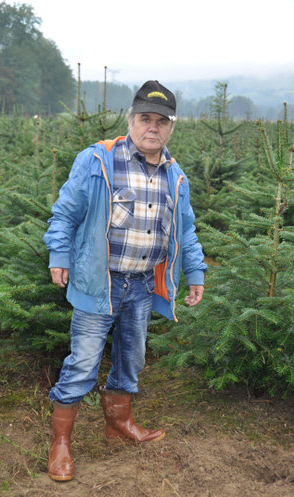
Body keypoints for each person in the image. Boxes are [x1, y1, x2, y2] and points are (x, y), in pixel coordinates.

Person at [43, 80, 207, 481]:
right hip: (100, 281)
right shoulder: (98, 159)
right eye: (145, 118)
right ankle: (60, 443)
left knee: (131, 360)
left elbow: (185, 230)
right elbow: (65, 212)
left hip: (142, 286)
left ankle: (118, 425)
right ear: (131, 120)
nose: (153, 127)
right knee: (82, 363)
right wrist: (59, 254)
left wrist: (196, 271)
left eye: (161, 121)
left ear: (171, 128)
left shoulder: (175, 175)